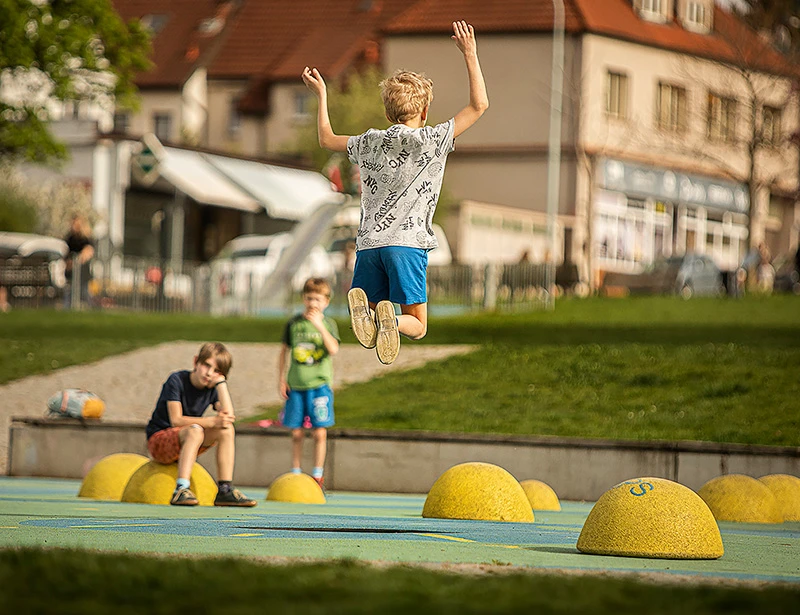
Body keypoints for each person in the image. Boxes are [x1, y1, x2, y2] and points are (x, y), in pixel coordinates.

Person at [301, 20, 488, 364]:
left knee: (370, 327)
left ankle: (378, 316)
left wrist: (323, 94)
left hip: (370, 246)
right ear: (425, 111)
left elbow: (327, 139)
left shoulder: (369, 141)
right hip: (408, 244)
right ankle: (393, 320)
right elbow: (478, 106)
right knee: (417, 324)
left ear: (387, 112)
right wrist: (470, 53)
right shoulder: (433, 139)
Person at [145, 342, 256, 507]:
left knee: (226, 429)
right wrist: (210, 421)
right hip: (159, 440)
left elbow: (228, 416)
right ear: (196, 361)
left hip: (187, 439)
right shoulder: (176, 380)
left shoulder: (211, 388)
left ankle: (224, 490)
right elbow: (176, 420)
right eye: (206, 365)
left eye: (217, 371)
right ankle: (181, 489)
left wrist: (221, 384)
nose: (209, 373)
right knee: (196, 430)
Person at [277, 278, 340, 488]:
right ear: (304, 298)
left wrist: (319, 326)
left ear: (326, 301)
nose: (313, 303)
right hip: (296, 385)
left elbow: (333, 349)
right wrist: (281, 379)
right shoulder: (294, 323)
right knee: (296, 431)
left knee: (319, 431)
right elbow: (284, 351)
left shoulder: (329, 324)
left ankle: (317, 475)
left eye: (318, 299)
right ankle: (295, 471)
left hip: (319, 386)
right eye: (309, 298)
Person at [64, 214, 95, 309]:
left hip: (83, 273)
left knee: (85, 293)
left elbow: (88, 252)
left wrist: (76, 261)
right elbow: (66, 254)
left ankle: (91, 309)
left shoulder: (85, 239)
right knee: (69, 293)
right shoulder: (70, 238)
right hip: (71, 273)